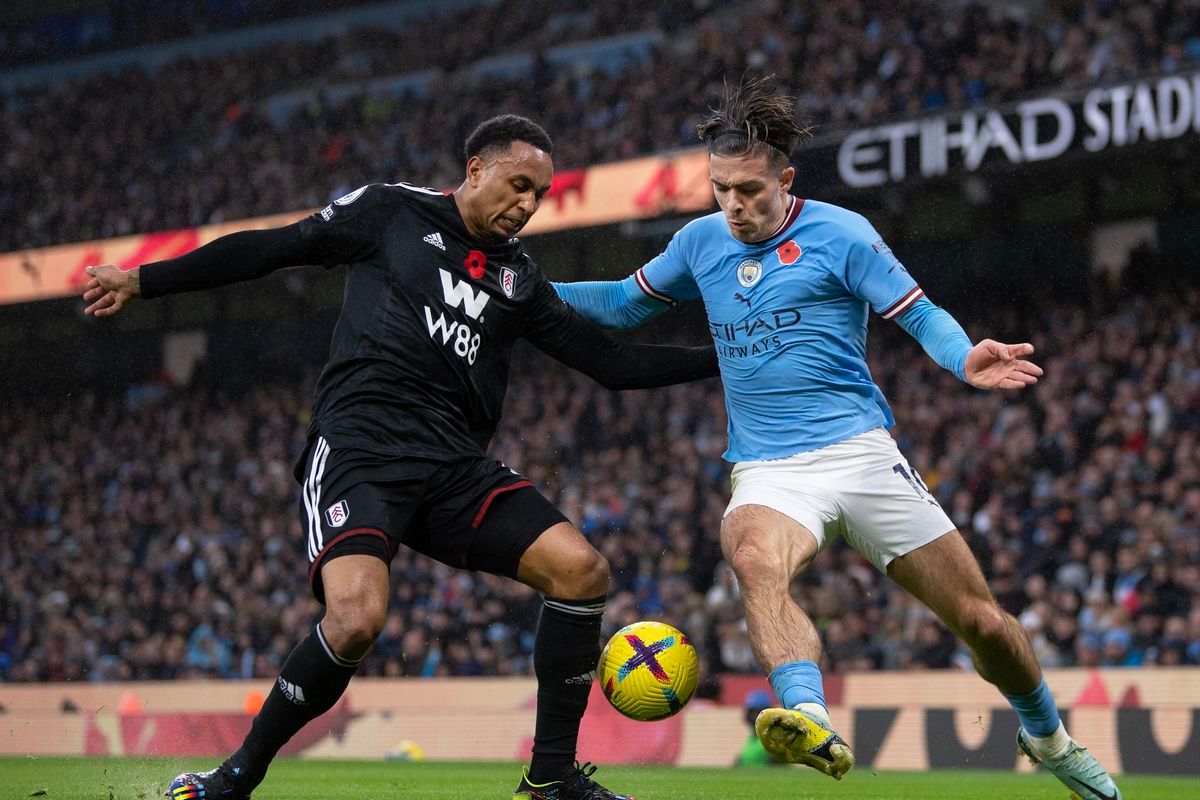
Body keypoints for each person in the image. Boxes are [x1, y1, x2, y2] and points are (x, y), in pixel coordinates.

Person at [84, 114, 718, 800]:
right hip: (361, 446)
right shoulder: (391, 212)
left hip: (454, 467)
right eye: (519, 185)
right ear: (476, 169)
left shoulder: (520, 282)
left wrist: (730, 360)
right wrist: (144, 280)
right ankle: (236, 776)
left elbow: (612, 364)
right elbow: (274, 248)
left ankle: (552, 779)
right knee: (356, 620)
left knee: (581, 572)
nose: (528, 205)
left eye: (539, 194)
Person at [551, 77, 1122, 800]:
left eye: (751, 190)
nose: (735, 205)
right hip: (767, 469)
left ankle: (1048, 738)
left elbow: (918, 313)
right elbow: (622, 306)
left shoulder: (841, 234)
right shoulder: (699, 242)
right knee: (756, 558)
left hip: (860, 453)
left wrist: (962, 356)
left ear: (785, 180)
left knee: (984, 623)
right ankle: (808, 717)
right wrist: (528, 289)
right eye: (721, 189)